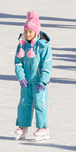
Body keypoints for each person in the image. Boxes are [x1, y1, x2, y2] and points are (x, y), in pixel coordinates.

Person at [14, 11, 52, 141]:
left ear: (36, 31)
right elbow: (18, 63)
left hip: (39, 82)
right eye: (26, 31)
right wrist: (21, 77)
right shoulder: (22, 46)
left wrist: (43, 81)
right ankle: (23, 126)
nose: (28, 34)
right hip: (26, 82)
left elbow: (47, 65)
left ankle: (43, 128)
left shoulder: (43, 47)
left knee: (40, 104)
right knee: (24, 103)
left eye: (30, 31)